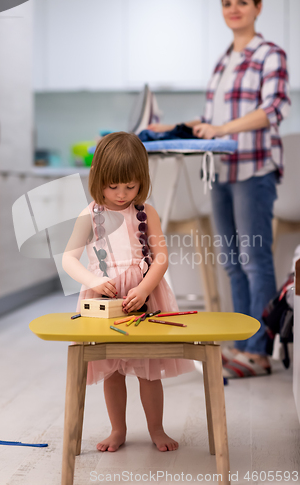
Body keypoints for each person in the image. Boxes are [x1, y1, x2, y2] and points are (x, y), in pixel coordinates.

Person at [148, 0, 291, 377]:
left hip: (253, 169)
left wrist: (223, 128)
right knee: (231, 262)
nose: (234, 9)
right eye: (227, 3)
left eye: (242, 2)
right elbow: (212, 117)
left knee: (254, 258)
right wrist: (178, 126)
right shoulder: (223, 61)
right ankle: (243, 344)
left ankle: (259, 352)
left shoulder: (269, 54)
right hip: (221, 170)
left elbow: (273, 108)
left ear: (258, 6)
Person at [62, 132, 194, 452]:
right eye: (113, 186)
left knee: (148, 371)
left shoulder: (146, 212)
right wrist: (93, 282)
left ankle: (156, 429)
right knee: (112, 370)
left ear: (142, 182)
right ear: (98, 180)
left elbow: (161, 257)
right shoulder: (89, 214)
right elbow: (68, 258)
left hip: (143, 298)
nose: (122, 194)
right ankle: (117, 430)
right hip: (104, 300)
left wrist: (144, 287)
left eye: (130, 186)